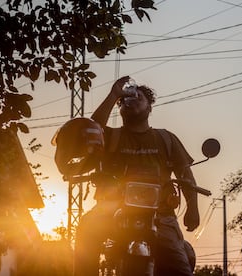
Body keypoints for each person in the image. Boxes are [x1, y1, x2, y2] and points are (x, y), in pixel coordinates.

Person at [73, 76, 200, 276]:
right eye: (124, 100)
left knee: (180, 267)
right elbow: (91, 128)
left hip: (161, 214)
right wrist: (114, 94)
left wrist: (193, 209)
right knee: (87, 230)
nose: (130, 101)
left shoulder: (166, 138)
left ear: (150, 108)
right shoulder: (110, 137)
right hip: (111, 212)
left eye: (138, 98)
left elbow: (186, 175)